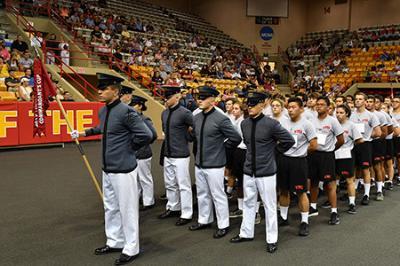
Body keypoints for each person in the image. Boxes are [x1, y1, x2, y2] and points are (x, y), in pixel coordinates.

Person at [70, 73, 153, 265]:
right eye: (99, 88)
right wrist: (83, 132)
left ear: (115, 91)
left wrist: (128, 149)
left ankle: (131, 247)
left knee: (128, 209)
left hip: (124, 168)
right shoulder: (103, 110)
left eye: (104, 88)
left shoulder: (127, 111)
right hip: (107, 168)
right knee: (111, 207)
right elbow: (103, 128)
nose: (99, 91)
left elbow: (146, 134)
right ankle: (115, 241)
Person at [230, 92, 295, 253]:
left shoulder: (271, 123)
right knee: (248, 202)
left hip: (266, 171)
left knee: (270, 205)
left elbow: (289, 140)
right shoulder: (244, 124)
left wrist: (273, 153)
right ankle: (246, 233)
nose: (250, 107)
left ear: (262, 105)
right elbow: (247, 143)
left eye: (253, 104)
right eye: (248, 104)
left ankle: (272, 239)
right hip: (248, 169)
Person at [189, 86, 241, 239]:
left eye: (204, 97)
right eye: (199, 97)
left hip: (215, 164)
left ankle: (223, 224)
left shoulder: (220, 118)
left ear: (213, 100)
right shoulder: (196, 117)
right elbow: (196, 138)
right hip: (199, 162)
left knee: (218, 195)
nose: (200, 100)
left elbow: (235, 138)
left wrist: (222, 148)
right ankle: (204, 219)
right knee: (202, 193)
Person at [277, 97, 317, 236]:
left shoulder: (307, 124)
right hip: (284, 159)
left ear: (301, 109)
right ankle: (283, 217)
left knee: (301, 192)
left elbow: (314, 145)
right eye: (289, 107)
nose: (290, 109)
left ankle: (304, 222)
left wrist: (301, 152)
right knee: (283, 190)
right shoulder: (283, 122)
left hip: (299, 161)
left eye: (294, 107)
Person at [159, 85, 194, 227]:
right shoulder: (164, 113)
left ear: (177, 97)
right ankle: (173, 207)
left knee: (183, 185)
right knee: (170, 183)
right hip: (168, 153)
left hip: (180, 154)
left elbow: (195, 129)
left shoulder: (185, 113)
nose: (166, 100)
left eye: (168, 97)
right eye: (165, 97)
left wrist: (186, 137)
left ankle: (187, 213)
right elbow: (164, 131)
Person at [308, 96, 344, 225]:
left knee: (330, 184)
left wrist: (331, 149)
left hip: (327, 156)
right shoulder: (311, 120)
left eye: (322, 104)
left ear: (328, 107)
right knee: (313, 182)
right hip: (313, 155)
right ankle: (312, 206)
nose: (318, 106)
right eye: (317, 104)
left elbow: (341, 140)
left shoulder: (333, 121)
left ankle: (334, 211)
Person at [350, 92, 381, 205]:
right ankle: (352, 193)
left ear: (364, 101)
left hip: (365, 144)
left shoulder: (371, 115)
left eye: (360, 99)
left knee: (365, 169)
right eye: (356, 99)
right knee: (353, 170)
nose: (357, 101)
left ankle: (366, 194)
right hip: (352, 144)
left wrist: (366, 136)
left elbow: (378, 132)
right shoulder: (350, 114)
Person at [129, 95, 158, 210]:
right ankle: (137, 199)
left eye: (133, 105)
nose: (131, 107)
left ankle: (148, 201)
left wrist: (141, 143)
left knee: (144, 178)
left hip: (143, 153)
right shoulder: (130, 118)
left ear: (140, 106)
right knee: (135, 179)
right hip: (133, 153)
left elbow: (153, 135)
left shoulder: (145, 119)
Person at [335, 104, 363, 214]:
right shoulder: (333, 124)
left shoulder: (351, 125)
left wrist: (350, 143)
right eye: (337, 112)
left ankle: (352, 203)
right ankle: (332, 201)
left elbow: (360, 139)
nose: (338, 115)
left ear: (347, 113)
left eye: (341, 113)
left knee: (349, 180)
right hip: (334, 153)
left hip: (346, 154)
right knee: (333, 180)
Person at [366, 95, 388, 201]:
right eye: (367, 101)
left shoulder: (380, 115)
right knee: (364, 168)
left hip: (376, 143)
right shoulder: (361, 114)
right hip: (364, 144)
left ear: (375, 103)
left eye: (371, 101)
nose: (368, 103)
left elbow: (385, 131)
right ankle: (363, 190)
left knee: (377, 166)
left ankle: (380, 189)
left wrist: (375, 138)